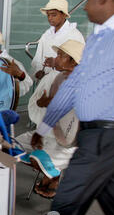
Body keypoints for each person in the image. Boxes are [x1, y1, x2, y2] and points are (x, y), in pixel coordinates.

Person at [32, 0, 114, 215]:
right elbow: (75, 85)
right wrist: (44, 124)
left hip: (107, 135)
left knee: (66, 201)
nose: (85, 6)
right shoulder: (100, 37)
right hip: (98, 135)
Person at [16, 39, 84, 198]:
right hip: (50, 133)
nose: (56, 58)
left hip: (69, 141)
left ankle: (53, 175)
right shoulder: (60, 77)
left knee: (36, 158)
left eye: (61, 55)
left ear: (73, 61)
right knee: (11, 146)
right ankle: (52, 174)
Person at [31, 0, 85, 80]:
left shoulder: (74, 35)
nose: (50, 18)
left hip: (63, 83)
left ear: (63, 14)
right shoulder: (47, 34)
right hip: (45, 81)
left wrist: (56, 63)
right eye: (48, 15)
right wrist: (38, 72)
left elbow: (79, 64)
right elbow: (38, 58)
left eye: (54, 15)